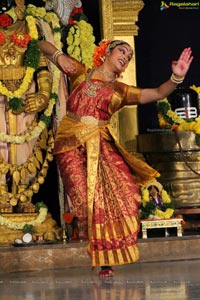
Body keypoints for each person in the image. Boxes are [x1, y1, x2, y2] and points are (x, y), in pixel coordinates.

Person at [38, 39, 193, 278]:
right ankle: (99, 251)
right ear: (107, 52)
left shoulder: (121, 92)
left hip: (100, 145)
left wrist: (176, 78)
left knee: (126, 195)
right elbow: (42, 45)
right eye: (122, 51)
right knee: (85, 203)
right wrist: (58, 55)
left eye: (129, 56)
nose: (126, 57)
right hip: (69, 145)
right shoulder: (81, 72)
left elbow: (158, 93)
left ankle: (107, 260)